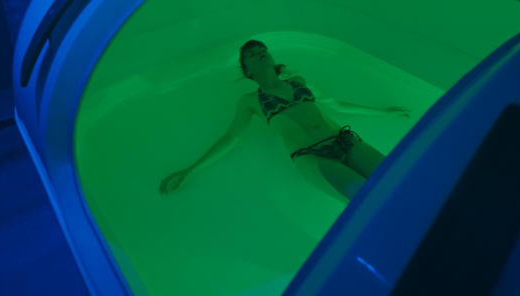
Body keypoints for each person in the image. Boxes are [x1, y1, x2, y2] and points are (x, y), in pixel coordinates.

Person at [159, 39, 410, 201]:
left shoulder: (299, 82)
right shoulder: (250, 101)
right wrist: (189, 170)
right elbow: (231, 138)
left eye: (263, 50)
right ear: (247, 70)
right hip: (312, 156)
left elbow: (336, 104)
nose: (260, 53)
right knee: (365, 200)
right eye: (252, 54)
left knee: (398, 182)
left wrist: (385, 112)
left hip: (344, 140)